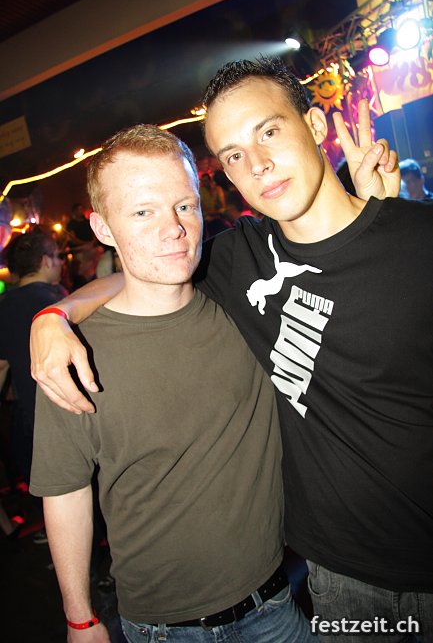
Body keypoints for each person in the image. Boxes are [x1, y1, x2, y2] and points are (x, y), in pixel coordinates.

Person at [29, 57, 429, 641]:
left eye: (269, 131)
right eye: (234, 155)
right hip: (338, 578)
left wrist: (380, 217)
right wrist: (52, 314)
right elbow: (153, 268)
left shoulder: (415, 243)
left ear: (315, 125)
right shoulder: (237, 261)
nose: (257, 162)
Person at [29, 124, 315, 642]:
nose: (175, 229)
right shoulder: (72, 355)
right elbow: (66, 492)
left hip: (276, 602)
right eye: (143, 212)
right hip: (163, 628)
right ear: (103, 228)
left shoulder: (242, 303)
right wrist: (79, 616)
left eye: (185, 206)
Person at [0, 231, 66, 543]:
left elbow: (2, 366)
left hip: (32, 417)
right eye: (58, 256)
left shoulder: (5, 305)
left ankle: (60, 539)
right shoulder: (60, 301)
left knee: (52, 490)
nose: (61, 263)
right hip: (68, 414)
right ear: (44, 261)